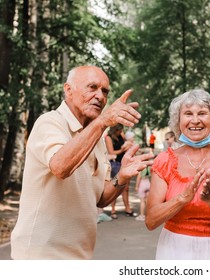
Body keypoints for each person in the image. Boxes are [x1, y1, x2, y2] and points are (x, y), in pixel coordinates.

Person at [10, 65, 154, 259]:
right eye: (92, 87)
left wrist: (122, 176)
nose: (100, 96)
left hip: (80, 256)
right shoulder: (50, 122)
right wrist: (102, 121)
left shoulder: (96, 137)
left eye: (105, 91)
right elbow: (60, 167)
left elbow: (101, 198)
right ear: (68, 90)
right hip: (41, 256)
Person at [145, 89, 210, 260]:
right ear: (178, 121)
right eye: (188, 113)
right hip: (174, 250)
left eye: (203, 113)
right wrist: (183, 198)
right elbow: (151, 221)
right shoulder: (164, 161)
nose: (195, 120)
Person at [105, 124, 137, 218]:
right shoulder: (108, 138)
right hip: (115, 164)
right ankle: (113, 210)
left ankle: (127, 208)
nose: (120, 132)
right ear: (115, 130)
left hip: (124, 164)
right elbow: (112, 152)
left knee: (125, 188)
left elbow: (127, 142)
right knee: (115, 187)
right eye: (119, 131)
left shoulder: (121, 135)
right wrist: (122, 149)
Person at [135, 148, 153, 222]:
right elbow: (151, 176)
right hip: (148, 183)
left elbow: (139, 178)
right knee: (147, 201)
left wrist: (136, 186)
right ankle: (147, 215)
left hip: (142, 184)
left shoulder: (141, 167)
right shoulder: (149, 167)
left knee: (142, 201)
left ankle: (142, 215)